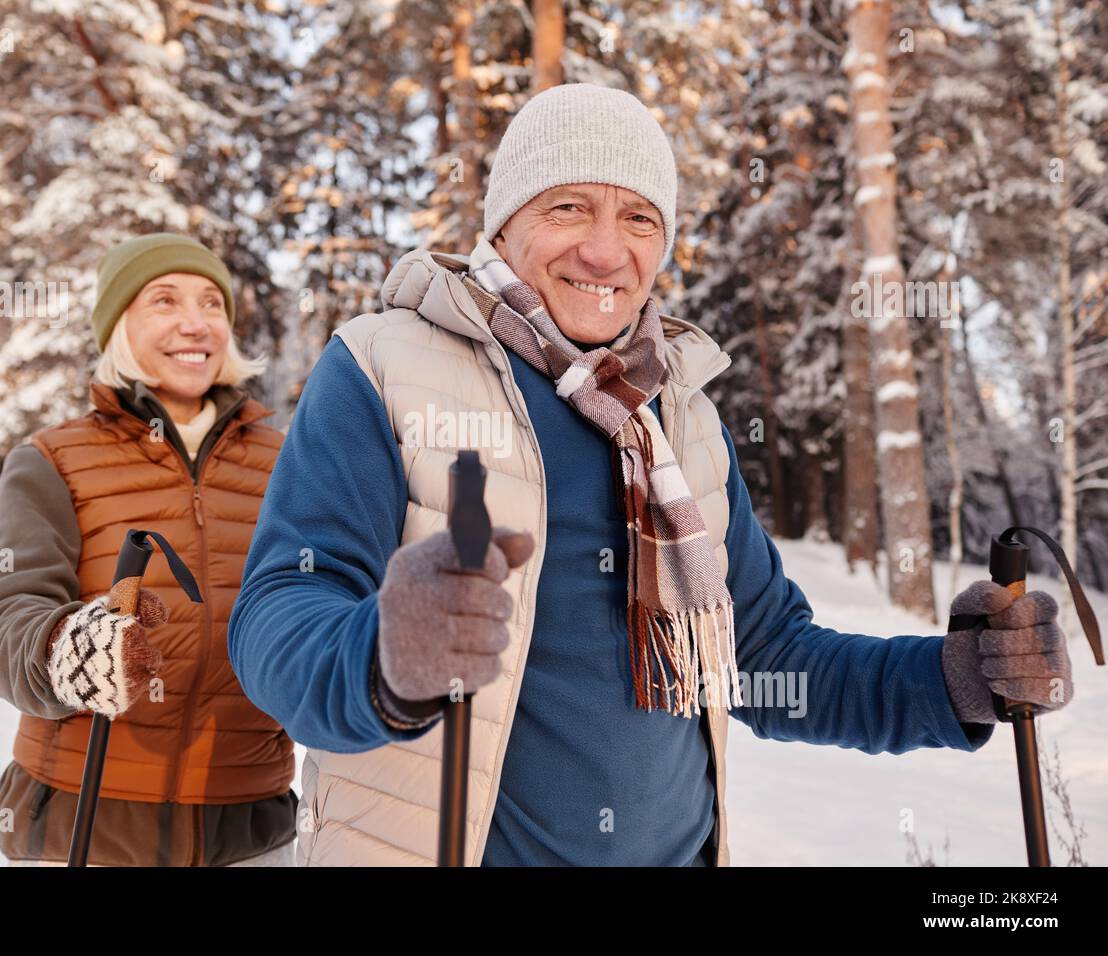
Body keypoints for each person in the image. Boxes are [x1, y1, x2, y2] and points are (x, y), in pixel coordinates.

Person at [229, 84, 1073, 866]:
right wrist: (381, 655)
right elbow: (276, 619)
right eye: (568, 207)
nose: (604, 250)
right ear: (501, 226)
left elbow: (763, 655)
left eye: (639, 218)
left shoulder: (674, 414)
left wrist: (951, 681)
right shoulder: (382, 366)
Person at [0, 233, 297, 866]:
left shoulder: (288, 463)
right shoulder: (52, 461)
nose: (195, 323)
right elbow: (3, 621)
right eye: (164, 301)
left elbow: (319, 601)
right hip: (86, 822)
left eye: (212, 304)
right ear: (119, 324)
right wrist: (66, 649)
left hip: (248, 825)